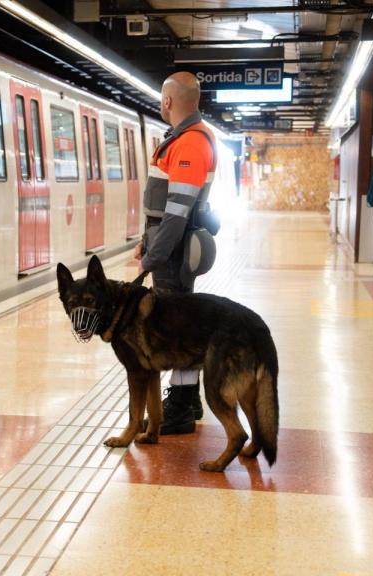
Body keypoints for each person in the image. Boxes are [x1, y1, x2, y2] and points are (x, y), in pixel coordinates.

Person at [134, 71, 216, 435]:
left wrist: (153, 256)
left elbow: (177, 211)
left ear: (168, 101)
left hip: (174, 250)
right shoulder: (184, 138)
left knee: (175, 326)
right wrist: (144, 238)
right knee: (180, 320)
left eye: (160, 100)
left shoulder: (190, 143)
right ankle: (188, 399)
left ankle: (181, 407)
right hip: (169, 245)